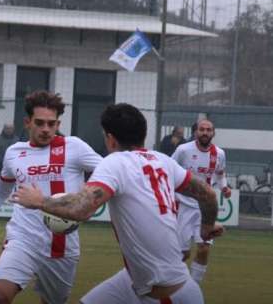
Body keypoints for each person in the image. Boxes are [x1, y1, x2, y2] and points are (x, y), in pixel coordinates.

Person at [12, 103, 223, 304]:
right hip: (138, 281)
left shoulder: (114, 162)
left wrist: (40, 201)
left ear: (111, 139)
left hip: (166, 295)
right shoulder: (162, 160)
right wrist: (206, 226)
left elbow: (82, 208)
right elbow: (207, 194)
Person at [0, 91, 102, 304]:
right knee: (1, 296)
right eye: (39, 123)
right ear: (27, 122)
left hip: (62, 246)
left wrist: (90, 193)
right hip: (22, 239)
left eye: (52, 123)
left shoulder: (74, 147)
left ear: (58, 124)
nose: (46, 129)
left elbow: (110, 173)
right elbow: (1, 190)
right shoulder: (14, 152)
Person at [172, 119, 231, 284]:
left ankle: (193, 288)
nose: (205, 132)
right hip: (183, 206)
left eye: (209, 130)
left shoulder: (219, 153)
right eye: (202, 129)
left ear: (213, 133)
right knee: (182, 254)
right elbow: (169, 168)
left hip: (205, 208)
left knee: (204, 248)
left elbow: (220, 173)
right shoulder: (183, 150)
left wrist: (224, 187)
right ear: (196, 132)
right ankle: (175, 285)